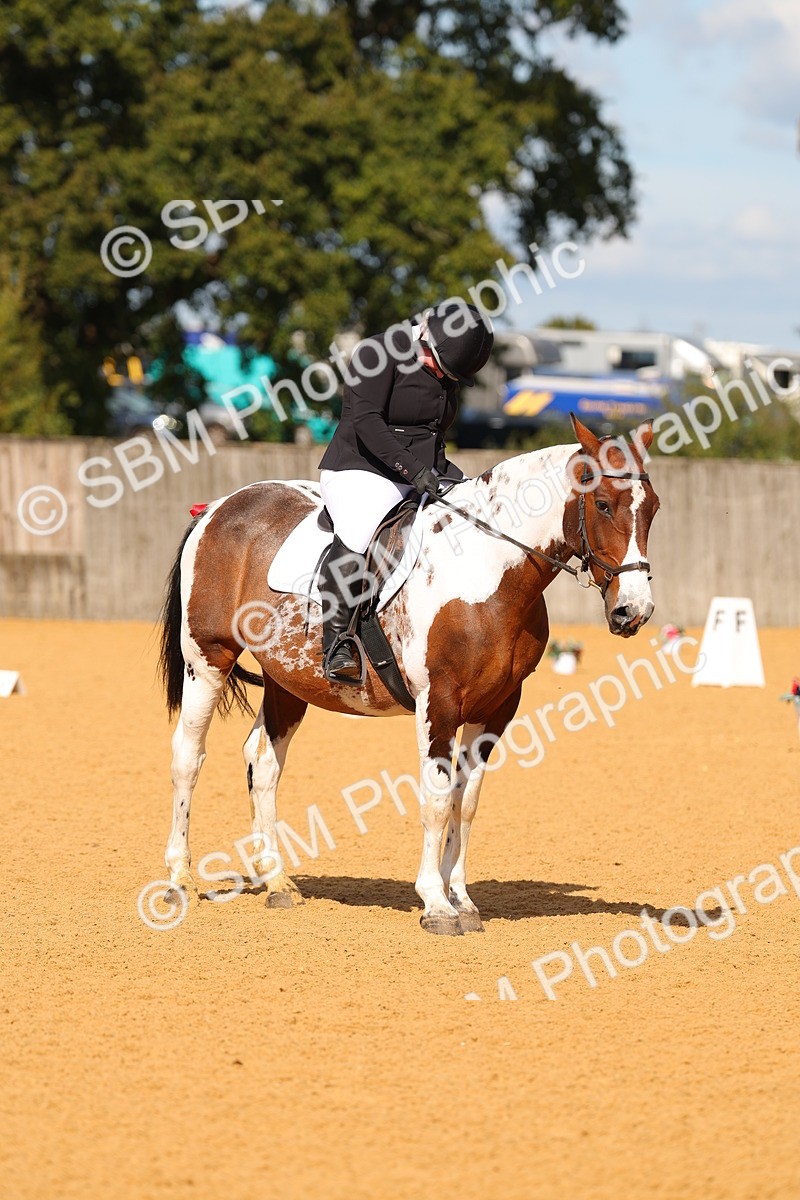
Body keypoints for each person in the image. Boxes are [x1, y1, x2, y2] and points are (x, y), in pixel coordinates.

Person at [317, 300, 494, 682]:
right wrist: (414, 471)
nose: (440, 378)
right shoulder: (377, 353)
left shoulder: (445, 362)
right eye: (437, 366)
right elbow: (366, 422)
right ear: (425, 334)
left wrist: (454, 479)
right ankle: (337, 642)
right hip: (360, 468)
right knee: (361, 530)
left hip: (422, 473)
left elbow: (433, 433)